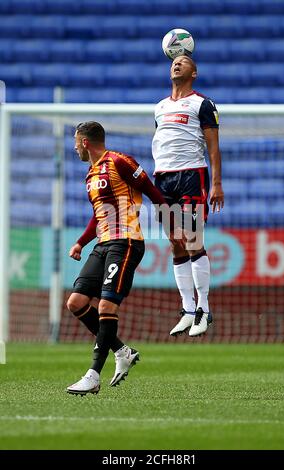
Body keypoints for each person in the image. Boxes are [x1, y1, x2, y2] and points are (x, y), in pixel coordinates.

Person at [66, 121, 167, 395]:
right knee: (75, 302)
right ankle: (122, 351)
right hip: (103, 243)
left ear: (85, 141)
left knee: (106, 308)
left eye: (76, 141)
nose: (74, 147)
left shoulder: (120, 162)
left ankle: (93, 376)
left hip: (126, 242)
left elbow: (152, 192)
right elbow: (98, 215)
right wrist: (80, 242)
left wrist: (174, 223)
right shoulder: (90, 174)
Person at [152, 55, 225, 338]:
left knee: (194, 241)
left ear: (194, 73)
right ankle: (187, 309)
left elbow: (213, 148)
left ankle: (204, 310)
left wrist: (216, 183)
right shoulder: (159, 107)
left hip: (191, 175)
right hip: (163, 178)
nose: (176, 64)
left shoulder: (203, 104)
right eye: (174, 62)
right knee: (175, 243)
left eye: (183, 62)